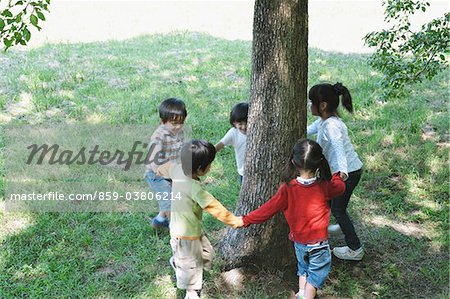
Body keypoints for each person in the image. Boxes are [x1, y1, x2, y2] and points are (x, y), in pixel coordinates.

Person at [242, 139, 345, 299]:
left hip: (299, 243)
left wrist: (246, 219)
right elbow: (340, 187)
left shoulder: (287, 189)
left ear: (293, 162)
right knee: (315, 277)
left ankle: (302, 294)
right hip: (318, 245)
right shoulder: (324, 186)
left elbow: (267, 209)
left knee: (303, 269)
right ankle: (306, 296)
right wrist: (338, 176)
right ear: (319, 163)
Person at [160, 140, 243, 299]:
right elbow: (214, 207)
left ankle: (179, 261)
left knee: (208, 255)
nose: (211, 167)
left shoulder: (178, 170)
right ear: (199, 168)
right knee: (192, 271)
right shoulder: (194, 188)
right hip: (185, 236)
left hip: (192, 229)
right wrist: (234, 221)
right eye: (209, 164)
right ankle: (191, 294)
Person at [307, 82, 364, 261]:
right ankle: (341, 224)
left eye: (311, 102)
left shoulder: (332, 126)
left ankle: (355, 248)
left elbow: (339, 149)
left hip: (347, 172)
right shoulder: (324, 121)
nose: (309, 106)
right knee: (331, 203)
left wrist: (341, 174)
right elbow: (308, 130)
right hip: (344, 171)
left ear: (322, 105)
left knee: (338, 209)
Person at [145, 98, 187, 228]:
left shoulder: (179, 131)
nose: (178, 126)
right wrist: (167, 173)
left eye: (181, 123)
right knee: (169, 202)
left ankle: (159, 220)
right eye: (174, 123)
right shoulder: (159, 137)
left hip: (171, 172)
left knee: (173, 198)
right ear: (162, 121)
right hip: (157, 175)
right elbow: (154, 161)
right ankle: (174, 227)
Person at [215, 102, 248, 183]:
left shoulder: (257, 131)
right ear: (234, 123)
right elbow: (219, 146)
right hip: (244, 172)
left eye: (247, 123)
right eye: (240, 124)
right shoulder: (233, 133)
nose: (244, 127)